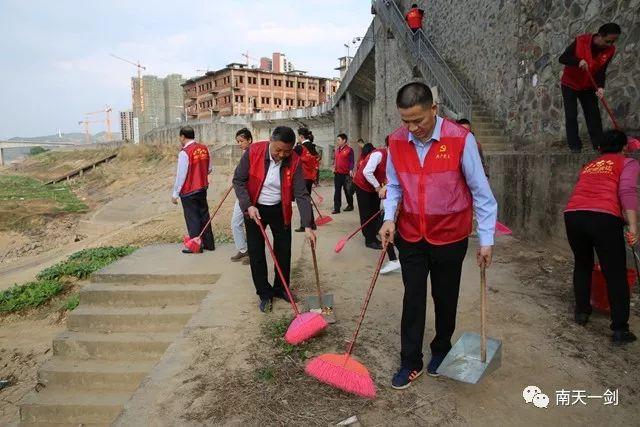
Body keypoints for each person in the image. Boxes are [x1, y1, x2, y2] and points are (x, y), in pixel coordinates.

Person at [379, 82, 497, 389]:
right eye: (405, 120)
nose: (412, 127)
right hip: (411, 236)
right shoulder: (396, 141)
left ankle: (441, 349)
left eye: (418, 120)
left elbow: (481, 192)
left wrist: (486, 240)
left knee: (446, 298)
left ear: (435, 109)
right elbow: (393, 185)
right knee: (413, 298)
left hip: (450, 235)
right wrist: (389, 218)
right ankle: (410, 361)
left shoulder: (460, 139)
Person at [564, 129, 638, 344]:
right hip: (603, 217)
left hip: (574, 214)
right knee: (614, 272)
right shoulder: (627, 163)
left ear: (600, 147)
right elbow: (627, 192)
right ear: (624, 147)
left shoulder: (590, 165)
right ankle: (619, 329)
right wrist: (633, 226)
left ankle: (581, 313)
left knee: (582, 264)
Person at [233, 126, 317, 313]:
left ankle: (281, 288)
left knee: (283, 250)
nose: (281, 155)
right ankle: (264, 293)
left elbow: (302, 194)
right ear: (270, 141)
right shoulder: (254, 152)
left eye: (286, 151)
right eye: (278, 150)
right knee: (256, 253)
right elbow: (238, 180)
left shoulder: (294, 160)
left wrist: (308, 225)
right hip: (255, 208)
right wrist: (248, 205)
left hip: (280, 209)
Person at [559, 23, 621, 153]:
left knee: (594, 115)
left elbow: (601, 70)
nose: (610, 44)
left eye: (613, 41)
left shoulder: (610, 50)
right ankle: (575, 147)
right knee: (571, 115)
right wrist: (578, 61)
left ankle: (599, 146)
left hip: (588, 85)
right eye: (608, 41)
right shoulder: (581, 41)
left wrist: (600, 87)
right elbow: (563, 58)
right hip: (570, 83)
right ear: (599, 36)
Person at [353, 136, 402, 273]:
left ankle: (375, 234)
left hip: (378, 187)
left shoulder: (395, 157)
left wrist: (384, 188)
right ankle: (369, 239)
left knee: (375, 211)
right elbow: (366, 172)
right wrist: (376, 186)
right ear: (388, 146)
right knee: (366, 212)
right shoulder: (378, 154)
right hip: (363, 185)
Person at [172, 126, 215, 254]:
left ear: (183, 137)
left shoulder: (184, 152)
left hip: (189, 190)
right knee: (204, 215)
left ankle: (196, 246)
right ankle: (209, 244)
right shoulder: (203, 148)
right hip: (202, 187)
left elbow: (181, 175)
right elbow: (209, 168)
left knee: (193, 218)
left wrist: (175, 194)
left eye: (180, 137)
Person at [230, 128, 253, 264]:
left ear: (249, 140)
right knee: (235, 223)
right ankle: (244, 250)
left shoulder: (254, 153)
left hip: (250, 195)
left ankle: (253, 253)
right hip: (241, 194)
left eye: (242, 141)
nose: (239, 144)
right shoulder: (245, 153)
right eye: (238, 141)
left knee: (251, 225)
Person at [295, 127, 319, 232]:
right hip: (310, 177)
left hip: (303, 177)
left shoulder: (300, 147)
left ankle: (305, 225)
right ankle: (312, 223)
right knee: (307, 200)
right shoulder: (313, 147)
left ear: (301, 136)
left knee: (302, 201)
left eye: (298, 136)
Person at [332, 133, 355, 214]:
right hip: (337, 174)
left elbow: (352, 161)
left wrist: (351, 169)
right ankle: (337, 208)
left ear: (344, 140)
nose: (337, 141)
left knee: (347, 191)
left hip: (345, 175)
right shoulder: (337, 150)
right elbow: (335, 160)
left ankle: (350, 205)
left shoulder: (349, 150)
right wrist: (334, 166)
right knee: (337, 191)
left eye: (339, 140)